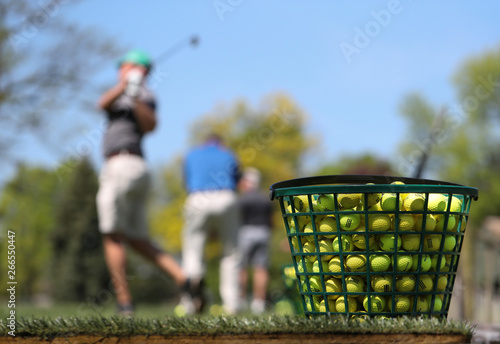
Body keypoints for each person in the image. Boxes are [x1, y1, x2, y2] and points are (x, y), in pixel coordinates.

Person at [96, 49, 189, 315]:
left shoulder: (146, 95)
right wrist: (124, 87)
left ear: (136, 68)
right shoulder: (118, 92)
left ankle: (124, 302)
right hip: (134, 169)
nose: (119, 71)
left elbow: (150, 126)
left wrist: (134, 94)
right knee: (137, 239)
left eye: (123, 67)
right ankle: (184, 279)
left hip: (122, 165)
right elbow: (102, 104)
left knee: (112, 235)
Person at [180, 133, 242, 315]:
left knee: (192, 251)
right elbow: (237, 178)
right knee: (231, 253)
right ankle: (232, 304)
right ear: (220, 143)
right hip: (225, 197)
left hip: (197, 198)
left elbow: (186, 180)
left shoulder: (191, 154)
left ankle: (191, 300)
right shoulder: (228, 153)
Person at [237, 167, 274, 314]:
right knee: (261, 268)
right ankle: (259, 303)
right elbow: (272, 220)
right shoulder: (265, 198)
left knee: (242, 268)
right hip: (264, 232)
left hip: (245, 232)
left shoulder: (242, 199)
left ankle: (240, 300)